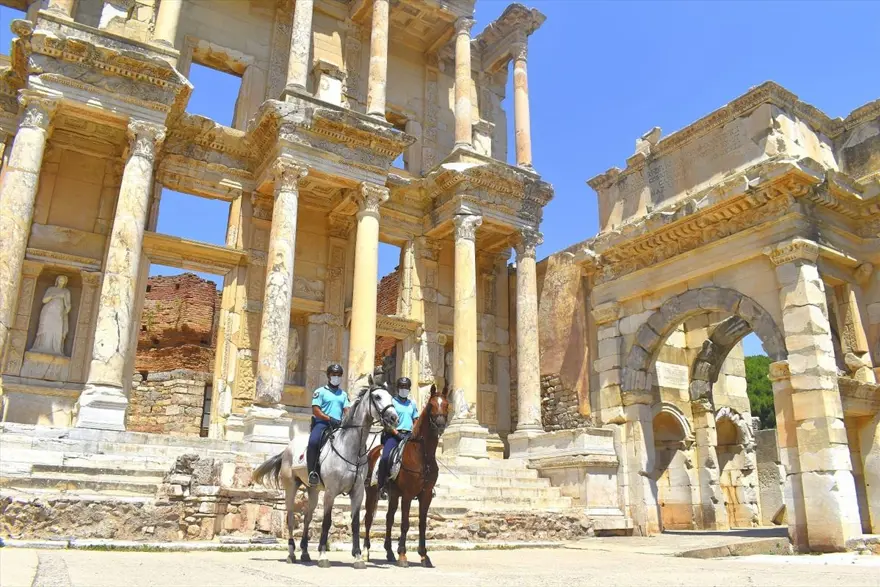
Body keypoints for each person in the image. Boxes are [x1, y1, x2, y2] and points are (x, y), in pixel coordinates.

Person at [307, 363, 349, 485]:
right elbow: (316, 410)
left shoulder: (344, 394)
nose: (336, 377)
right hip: (322, 424)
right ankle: (312, 472)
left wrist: (347, 420)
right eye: (334, 374)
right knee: (313, 442)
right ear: (328, 376)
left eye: (339, 375)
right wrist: (329, 419)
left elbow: (347, 410)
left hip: (338, 425)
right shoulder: (320, 392)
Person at [377, 377, 419, 499]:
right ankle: (382, 485)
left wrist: (413, 431)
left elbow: (415, 419)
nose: (404, 389)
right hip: (394, 434)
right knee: (385, 457)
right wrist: (396, 433)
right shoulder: (392, 402)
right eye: (401, 387)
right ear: (398, 388)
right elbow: (387, 421)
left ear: (409, 389)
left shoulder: (412, 403)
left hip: (409, 435)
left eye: (406, 387)